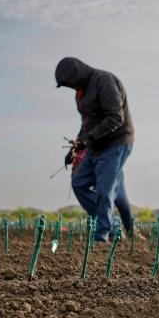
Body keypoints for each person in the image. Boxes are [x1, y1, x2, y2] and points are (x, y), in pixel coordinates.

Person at [56, 57, 134, 242]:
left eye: (69, 83)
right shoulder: (81, 93)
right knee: (79, 183)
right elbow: (87, 125)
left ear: (75, 75)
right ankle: (113, 225)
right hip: (95, 146)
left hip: (116, 143)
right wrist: (75, 147)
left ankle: (101, 237)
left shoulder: (103, 80)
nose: (71, 88)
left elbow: (116, 117)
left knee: (104, 191)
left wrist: (87, 139)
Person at [69, 146, 134, 235]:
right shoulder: (84, 137)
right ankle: (111, 224)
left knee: (120, 200)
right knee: (102, 198)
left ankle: (131, 230)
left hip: (110, 167)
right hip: (93, 169)